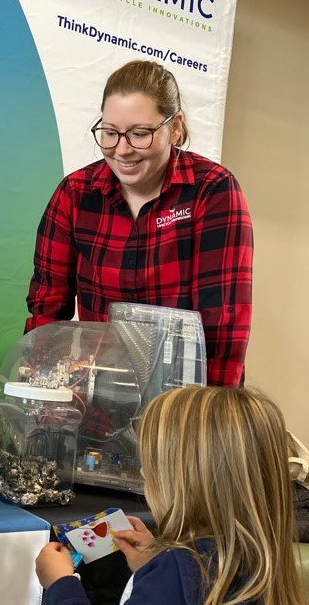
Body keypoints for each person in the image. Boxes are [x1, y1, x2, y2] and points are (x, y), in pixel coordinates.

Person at [35, 386, 309, 605]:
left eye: (151, 467)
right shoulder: (261, 561)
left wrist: (61, 587)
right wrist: (154, 564)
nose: (143, 474)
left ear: (184, 482)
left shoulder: (175, 578)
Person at [26, 60, 253, 387]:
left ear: (175, 127)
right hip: (100, 401)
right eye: (110, 133)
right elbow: (46, 313)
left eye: (140, 134)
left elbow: (224, 325)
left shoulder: (211, 191)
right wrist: (44, 392)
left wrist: (207, 421)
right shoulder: (75, 195)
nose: (122, 149)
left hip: (184, 407)